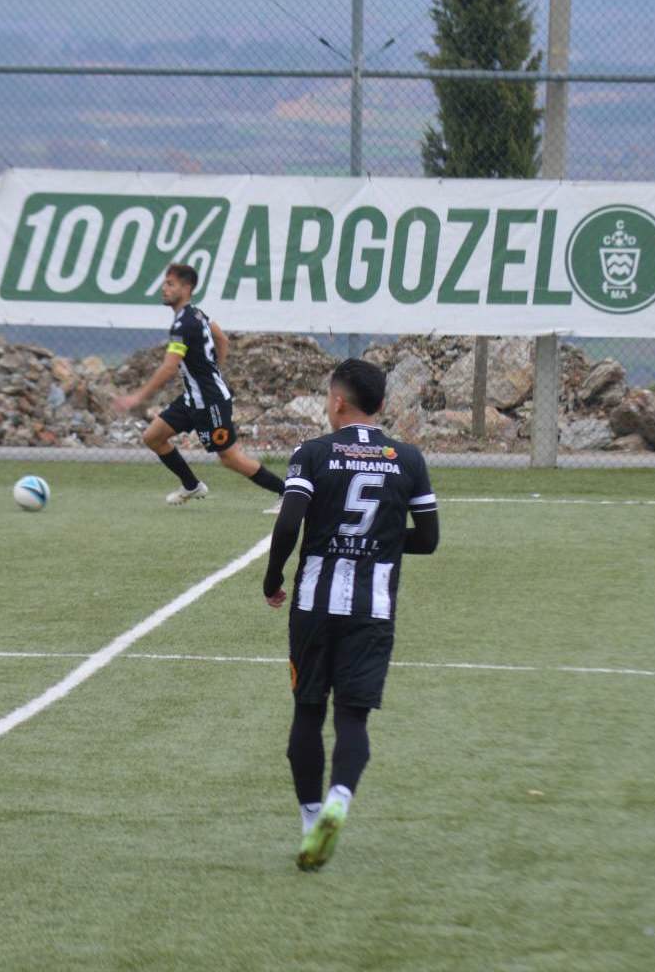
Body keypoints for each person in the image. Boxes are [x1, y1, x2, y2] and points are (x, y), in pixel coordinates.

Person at [262, 359, 439, 871]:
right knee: (353, 717)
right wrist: (382, 541)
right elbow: (427, 540)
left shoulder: (313, 453)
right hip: (373, 607)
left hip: (315, 605)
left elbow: (291, 520)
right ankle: (340, 798)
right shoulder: (407, 458)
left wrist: (273, 578)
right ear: (380, 405)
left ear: (338, 402)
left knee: (308, 712)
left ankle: (310, 817)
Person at [112, 263, 284, 503]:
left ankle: (286, 492)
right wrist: (214, 369)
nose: (164, 288)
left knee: (230, 458)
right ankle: (191, 486)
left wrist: (138, 397)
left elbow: (170, 366)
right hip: (193, 398)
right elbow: (221, 338)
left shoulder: (184, 324)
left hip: (210, 402)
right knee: (153, 437)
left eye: (170, 284)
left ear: (187, 287)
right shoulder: (196, 314)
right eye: (165, 283)